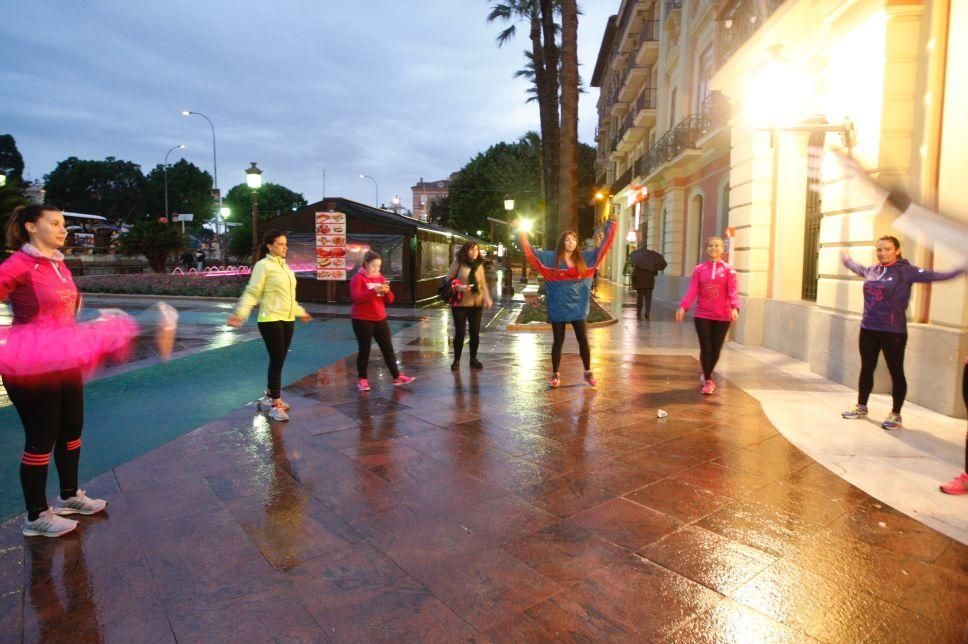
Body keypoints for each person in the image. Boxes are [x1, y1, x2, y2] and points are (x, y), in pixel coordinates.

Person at [0, 205, 139, 538]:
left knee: (72, 427)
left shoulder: (59, 266)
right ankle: (36, 515)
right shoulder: (17, 265)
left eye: (64, 224)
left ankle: (69, 495)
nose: (64, 229)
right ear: (31, 227)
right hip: (30, 363)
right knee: (41, 436)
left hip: (64, 358)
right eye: (55, 223)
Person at [840, 236, 964, 429]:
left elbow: (936, 275)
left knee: (896, 371)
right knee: (866, 368)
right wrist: (846, 260)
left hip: (893, 332)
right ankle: (861, 406)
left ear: (897, 250)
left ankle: (896, 414)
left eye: (887, 249)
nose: (882, 253)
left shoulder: (907, 272)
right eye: (879, 250)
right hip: (868, 329)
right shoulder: (873, 270)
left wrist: (959, 270)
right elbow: (858, 268)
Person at [521, 217, 617, 388]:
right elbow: (531, 253)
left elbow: (604, 248)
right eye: (567, 239)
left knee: (583, 340)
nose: (571, 242)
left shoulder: (586, 259)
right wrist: (522, 233)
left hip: (578, 307)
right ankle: (555, 374)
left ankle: (587, 372)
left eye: (573, 240)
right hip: (558, 306)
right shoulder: (551, 259)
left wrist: (613, 226)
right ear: (562, 242)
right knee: (558, 341)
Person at [228, 229, 312, 421]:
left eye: (285, 244)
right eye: (281, 244)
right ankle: (275, 404)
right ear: (270, 246)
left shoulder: (285, 267)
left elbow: (289, 298)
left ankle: (269, 395)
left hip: (287, 319)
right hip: (270, 320)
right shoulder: (263, 266)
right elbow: (252, 292)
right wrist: (240, 314)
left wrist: (301, 312)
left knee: (280, 359)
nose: (285, 247)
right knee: (276, 360)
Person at [675, 237, 740, 395]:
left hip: (723, 315)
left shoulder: (729, 270)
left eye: (717, 245)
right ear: (706, 249)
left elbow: (732, 291)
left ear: (722, 249)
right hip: (702, 314)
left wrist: (734, 307)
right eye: (710, 245)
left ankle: (705, 373)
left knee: (716, 348)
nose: (713, 248)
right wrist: (683, 307)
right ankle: (709, 380)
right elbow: (693, 290)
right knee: (706, 347)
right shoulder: (699, 269)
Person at [349, 250, 415, 391]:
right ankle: (362, 380)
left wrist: (387, 291)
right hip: (362, 319)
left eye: (378, 266)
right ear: (366, 264)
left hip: (380, 318)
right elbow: (357, 298)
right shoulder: (358, 278)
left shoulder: (380, 278)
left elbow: (390, 300)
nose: (376, 269)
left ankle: (397, 376)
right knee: (364, 349)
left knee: (387, 348)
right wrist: (373, 291)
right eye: (373, 265)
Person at [445, 242, 493, 371]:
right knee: (460, 333)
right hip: (460, 304)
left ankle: (473, 359)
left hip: (476, 303)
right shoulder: (458, 263)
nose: (475, 252)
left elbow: (483, 283)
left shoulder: (479, 265)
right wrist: (460, 287)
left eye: (477, 249)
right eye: (472, 250)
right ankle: (456, 360)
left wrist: (487, 297)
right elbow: (448, 280)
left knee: (475, 332)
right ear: (465, 251)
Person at [627, 245, 667, 320]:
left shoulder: (638, 266)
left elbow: (634, 276)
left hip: (640, 286)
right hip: (649, 285)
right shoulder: (652, 264)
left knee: (640, 300)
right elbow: (655, 274)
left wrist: (634, 284)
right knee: (648, 300)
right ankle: (647, 314)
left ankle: (639, 314)